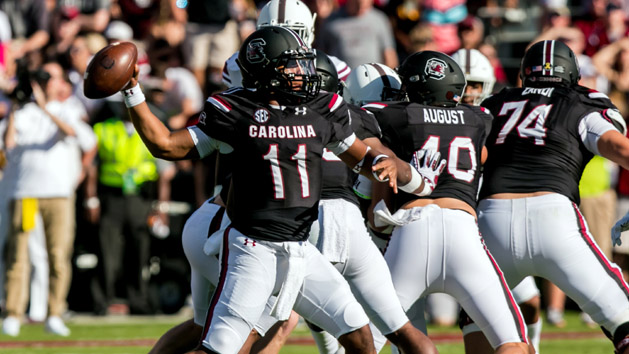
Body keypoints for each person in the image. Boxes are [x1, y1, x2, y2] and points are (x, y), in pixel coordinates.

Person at [117, 26, 441, 354]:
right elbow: (166, 145)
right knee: (219, 350)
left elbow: (361, 158)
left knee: (359, 336)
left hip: (302, 250)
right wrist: (132, 92)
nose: (304, 73)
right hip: (253, 248)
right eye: (294, 65)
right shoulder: (234, 111)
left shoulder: (320, 106)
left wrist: (380, 166)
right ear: (266, 70)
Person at [366, 50, 531, 354]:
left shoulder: (392, 114)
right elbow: (479, 157)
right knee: (514, 343)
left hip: (411, 232)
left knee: (364, 343)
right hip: (464, 231)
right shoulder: (479, 118)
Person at [472, 39, 629, 354]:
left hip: (491, 223)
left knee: (495, 336)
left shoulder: (494, 103)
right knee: (624, 323)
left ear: (524, 73)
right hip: (554, 219)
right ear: (572, 74)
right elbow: (619, 148)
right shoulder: (582, 101)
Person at [451, 48, 544, 353]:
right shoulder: (445, 121)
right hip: (463, 228)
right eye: (463, 84)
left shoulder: (497, 120)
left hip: (494, 222)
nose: (468, 92)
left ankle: (534, 346)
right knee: (477, 310)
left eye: (475, 84)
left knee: (529, 304)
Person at [1, 60, 96, 337]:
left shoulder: (67, 109)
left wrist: (45, 108)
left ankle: (55, 312)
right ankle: (13, 312)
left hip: (58, 194)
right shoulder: (22, 112)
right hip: (26, 193)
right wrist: (17, 108)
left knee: (58, 254)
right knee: (18, 254)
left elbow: (77, 137)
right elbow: (7, 144)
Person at [222, 0, 351, 89]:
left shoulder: (331, 67)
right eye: (274, 35)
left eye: (295, 32)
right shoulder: (237, 64)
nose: (285, 44)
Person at [319, 0, 398, 69]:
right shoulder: (331, 21)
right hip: (340, 81)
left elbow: (390, 56)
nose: (361, 4)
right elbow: (321, 55)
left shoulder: (379, 19)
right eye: (357, 1)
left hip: (373, 82)